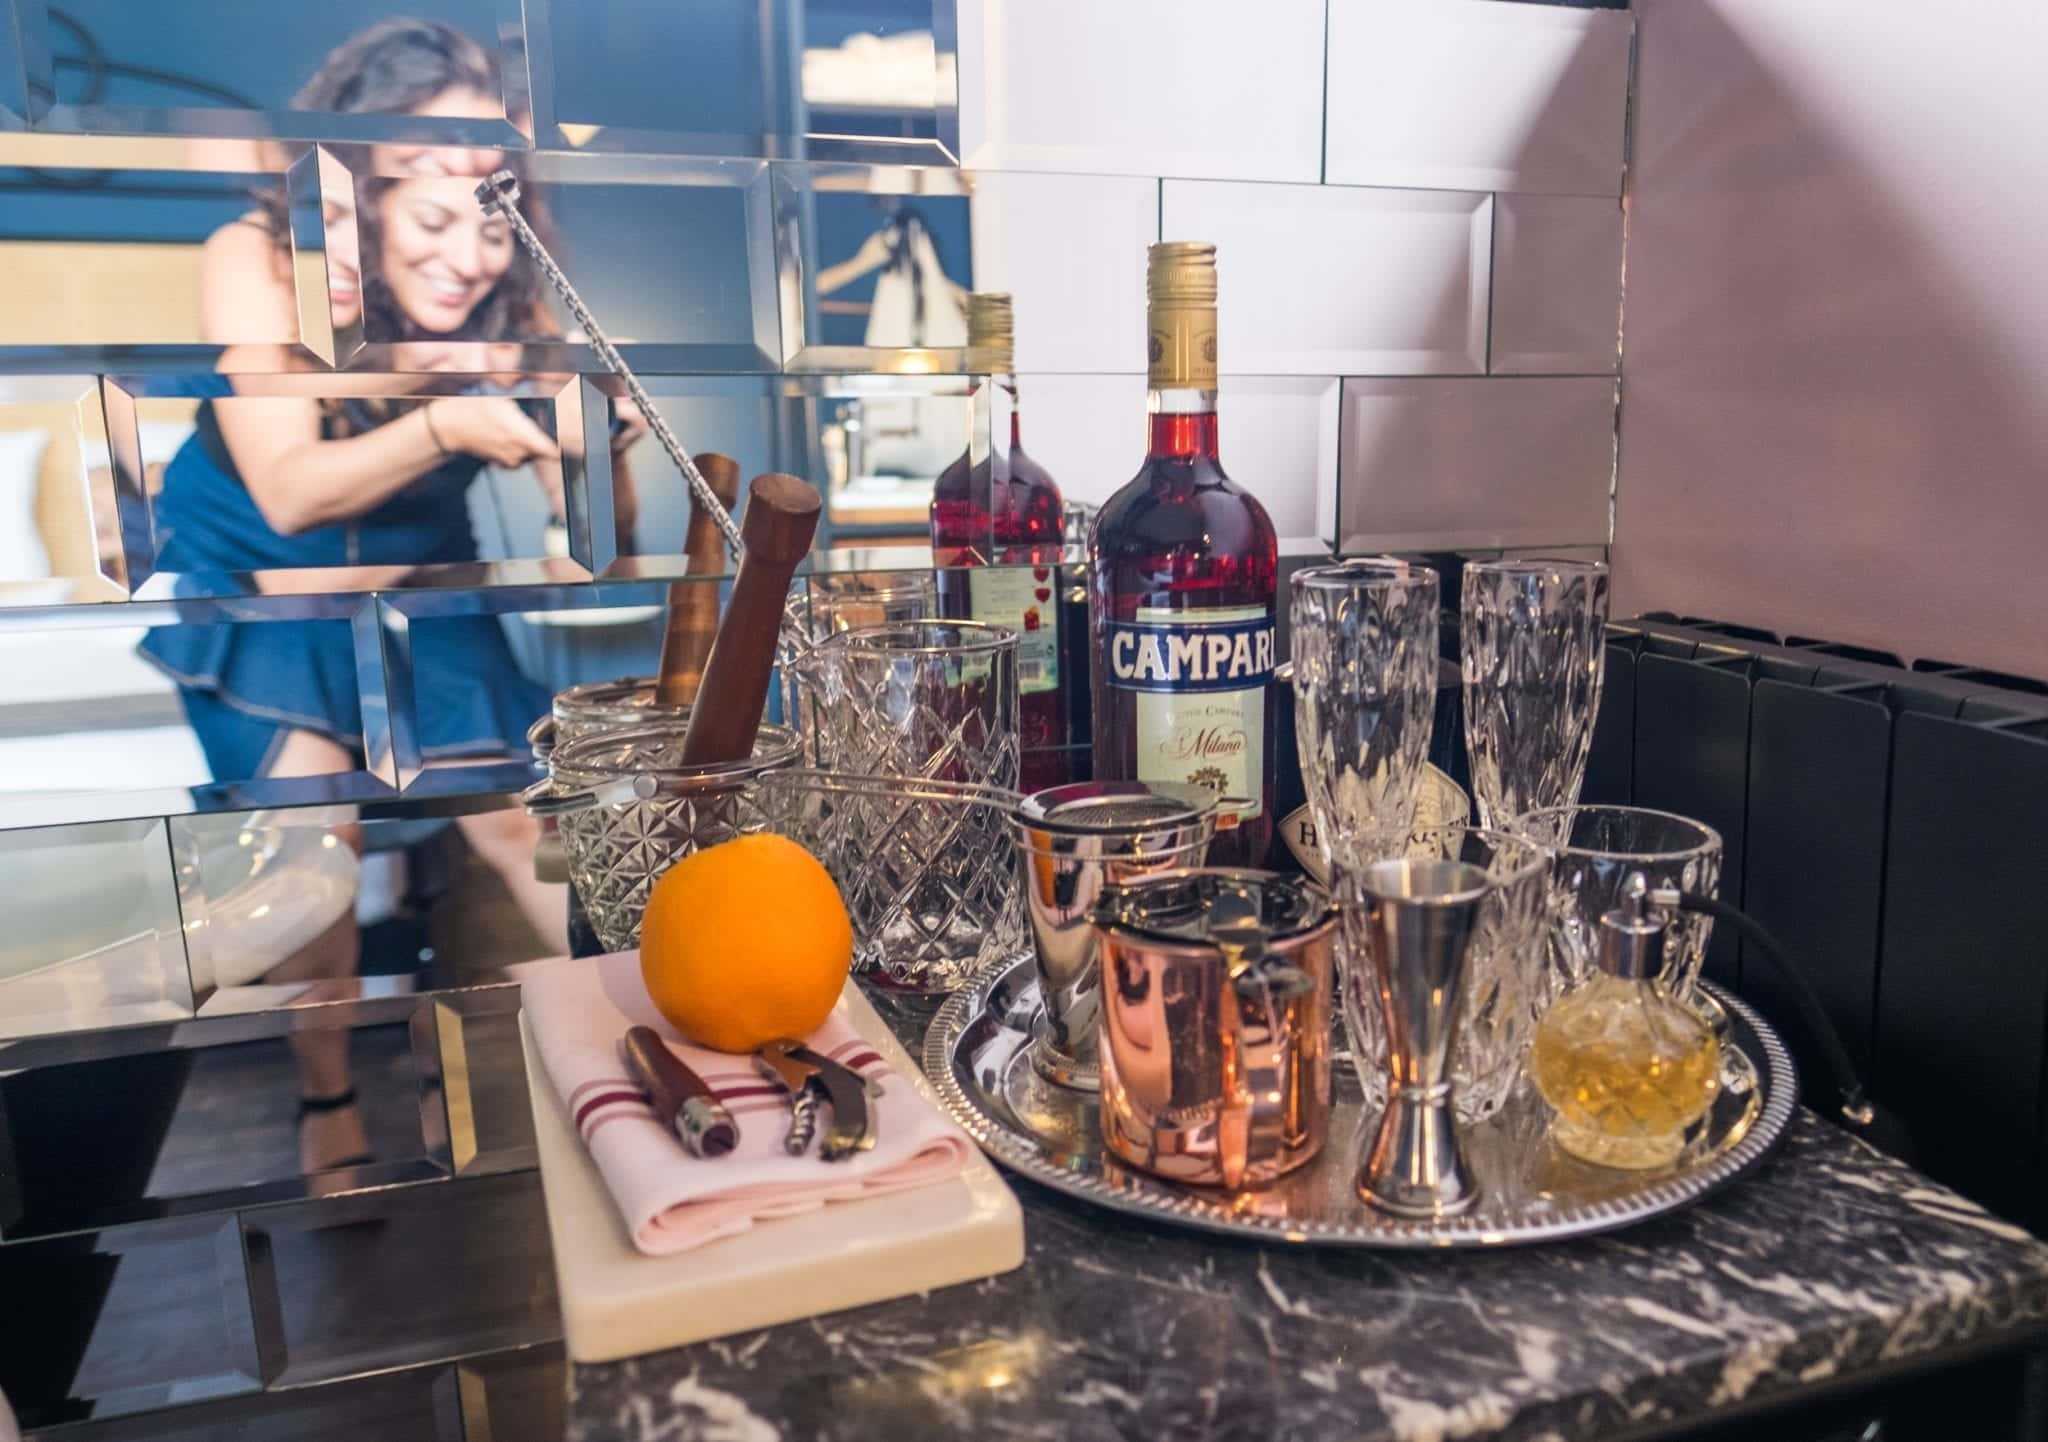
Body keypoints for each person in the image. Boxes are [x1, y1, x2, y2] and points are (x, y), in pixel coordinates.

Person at [138, 20, 636, 1173]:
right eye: (431, 210)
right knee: (318, 832)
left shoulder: (514, 292)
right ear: (356, 183)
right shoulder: (255, 257)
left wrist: (593, 441)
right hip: (264, 582)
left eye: (494, 206)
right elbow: (291, 494)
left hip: (418, 576)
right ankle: (327, 1099)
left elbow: (604, 547)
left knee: (524, 821)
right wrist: (447, 412)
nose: (470, 251)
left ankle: (614, 1058)